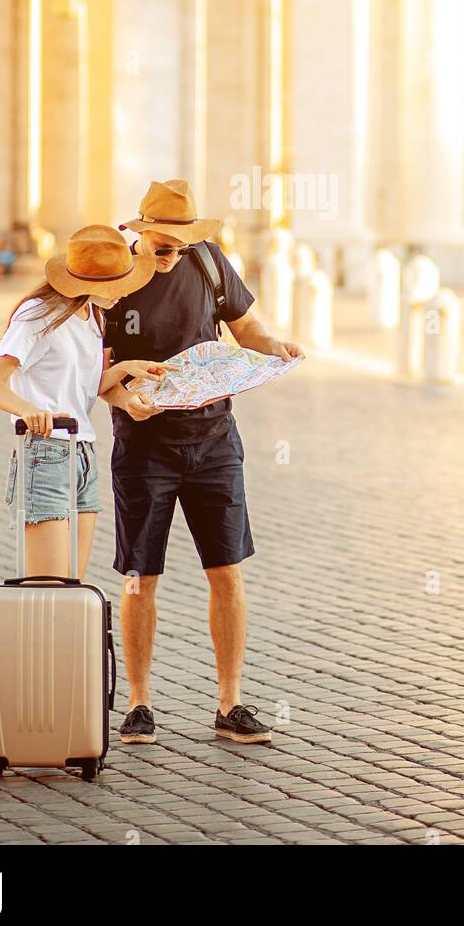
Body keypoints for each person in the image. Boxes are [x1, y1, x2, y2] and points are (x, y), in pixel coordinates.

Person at [0, 224, 166, 758]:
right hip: (46, 456)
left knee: (63, 598)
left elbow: (83, 391)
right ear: (89, 279)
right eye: (120, 280)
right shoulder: (38, 315)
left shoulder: (90, 315)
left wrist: (122, 378)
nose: (128, 288)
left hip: (82, 456)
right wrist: (27, 409)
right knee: (41, 596)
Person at [102, 179, 303, 746]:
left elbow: (247, 329)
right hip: (144, 444)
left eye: (178, 248)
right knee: (141, 578)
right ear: (140, 233)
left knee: (227, 573)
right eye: (161, 247)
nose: (170, 258)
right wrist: (123, 399)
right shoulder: (114, 277)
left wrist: (274, 348)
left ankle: (229, 703)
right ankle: (139, 703)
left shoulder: (208, 262)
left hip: (215, 439)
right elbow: (99, 370)